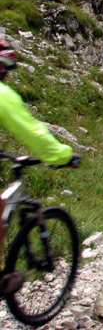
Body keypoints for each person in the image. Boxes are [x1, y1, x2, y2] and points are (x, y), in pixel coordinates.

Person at [0, 40, 80, 296]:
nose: (6, 77)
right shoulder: (2, 95)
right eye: (5, 71)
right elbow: (32, 132)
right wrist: (62, 155)